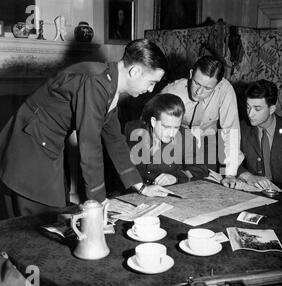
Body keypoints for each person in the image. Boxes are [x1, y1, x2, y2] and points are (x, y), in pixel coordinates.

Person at [0, 39, 171, 218]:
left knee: (54, 212)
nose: (151, 90)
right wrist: (100, 201)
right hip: (28, 146)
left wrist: (141, 186)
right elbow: (90, 145)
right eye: (151, 82)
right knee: (37, 222)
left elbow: (115, 141)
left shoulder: (109, 85)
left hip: (45, 144)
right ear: (135, 71)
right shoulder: (96, 83)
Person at [161, 55, 243, 186]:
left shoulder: (225, 90)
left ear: (218, 84)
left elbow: (230, 131)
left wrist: (230, 174)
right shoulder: (172, 91)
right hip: (177, 141)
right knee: (175, 181)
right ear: (191, 74)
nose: (199, 92)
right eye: (196, 83)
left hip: (208, 140)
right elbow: (150, 124)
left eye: (208, 88)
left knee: (208, 183)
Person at [125, 93, 208, 186]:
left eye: (176, 127)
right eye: (166, 127)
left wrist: (176, 177)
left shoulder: (186, 138)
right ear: (153, 121)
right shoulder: (131, 131)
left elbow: (200, 170)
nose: (172, 133)